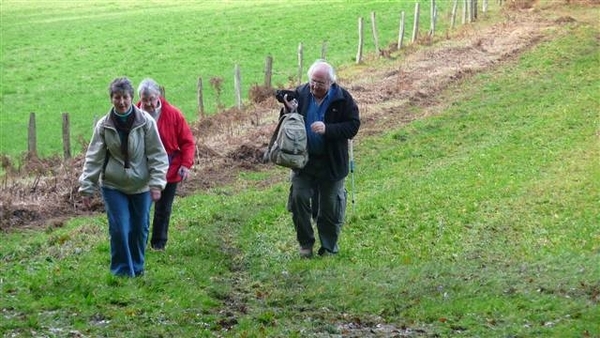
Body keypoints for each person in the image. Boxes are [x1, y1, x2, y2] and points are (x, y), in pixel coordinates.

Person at [79, 77, 169, 277]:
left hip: (142, 186)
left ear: (131, 98)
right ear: (111, 99)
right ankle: (121, 272)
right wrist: (87, 187)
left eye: (125, 97)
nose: (121, 102)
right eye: (117, 97)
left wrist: (156, 184)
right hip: (113, 185)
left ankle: (137, 268)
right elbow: (94, 157)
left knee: (139, 229)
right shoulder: (103, 126)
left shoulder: (146, 122)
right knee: (119, 228)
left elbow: (157, 155)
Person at [280, 60, 360, 258]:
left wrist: (328, 129)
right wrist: (287, 110)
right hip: (304, 162)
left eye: (320, 83)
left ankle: (329, 246)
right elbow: (286, 120)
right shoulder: (302, 93)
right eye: (313, 81)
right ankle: (305, 244)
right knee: (298, 199)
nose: (315, 86)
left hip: (331, 163)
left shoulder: (343, 99)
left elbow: (353, 126)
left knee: (328, 208)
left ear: (331, 82)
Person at [136, 78, 195, 251]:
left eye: (152, 99)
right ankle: (139, 243)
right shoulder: (134, 115)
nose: (150, 104)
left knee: (163, 208)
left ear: (159, 96)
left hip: (170, 168)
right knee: (142, 209)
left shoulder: (173, 114)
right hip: (142, 169)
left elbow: (187, 142)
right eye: (145, 100)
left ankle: (158, 244)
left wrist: (186, 164)